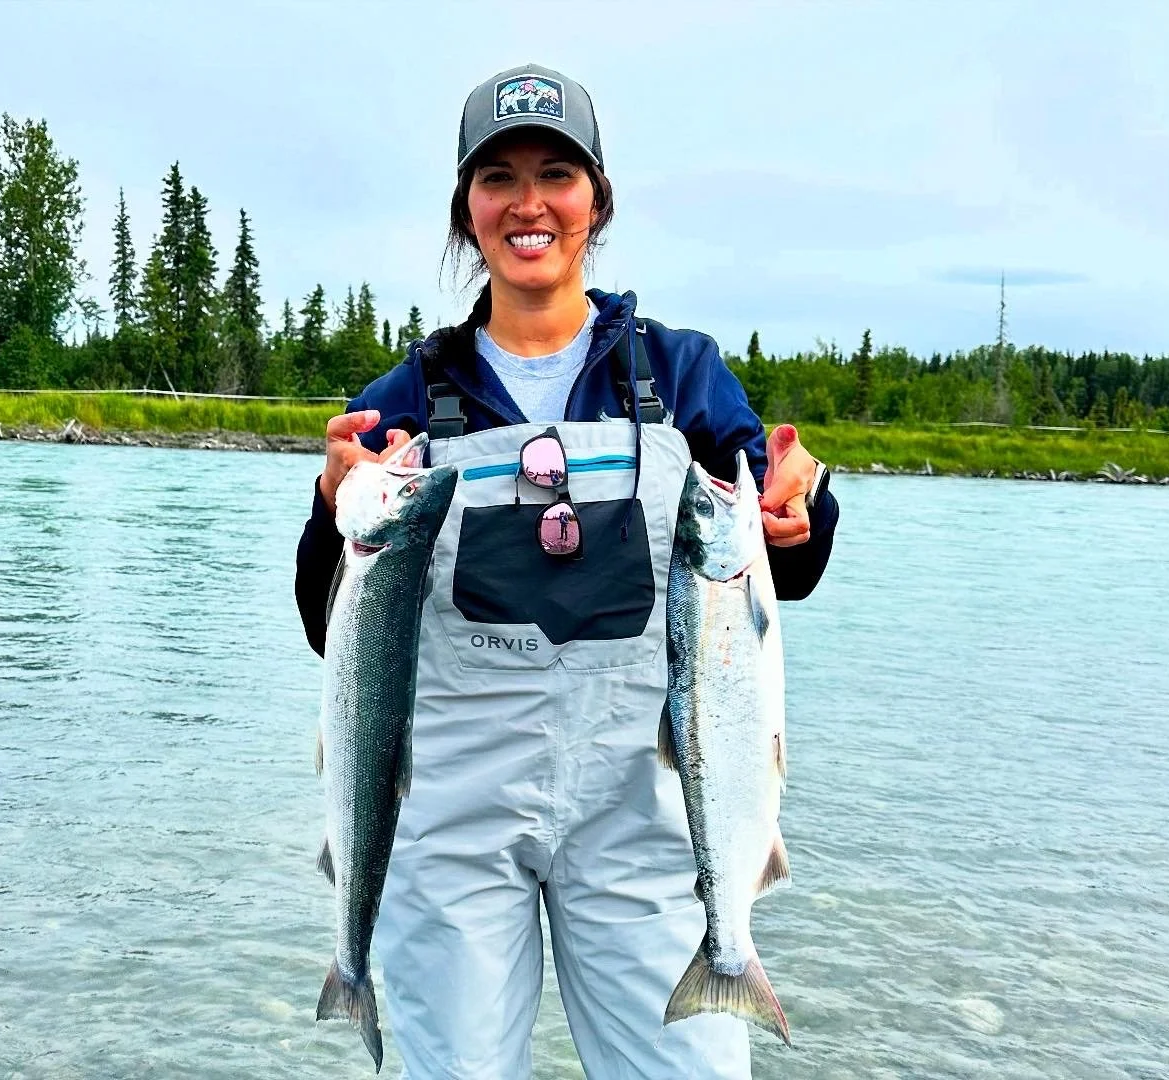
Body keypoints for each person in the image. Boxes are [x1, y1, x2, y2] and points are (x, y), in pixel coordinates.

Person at [295, 63, 839, 1079]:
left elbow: (782, 560)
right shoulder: (409, 394)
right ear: (468, 209)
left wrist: (799, 505)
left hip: (644, 812)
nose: (529, 203)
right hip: (452, 822)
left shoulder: (679, 375)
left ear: (597, 199)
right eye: (497, 178)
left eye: (557, 173)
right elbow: (328, 625)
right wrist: (335, 511)